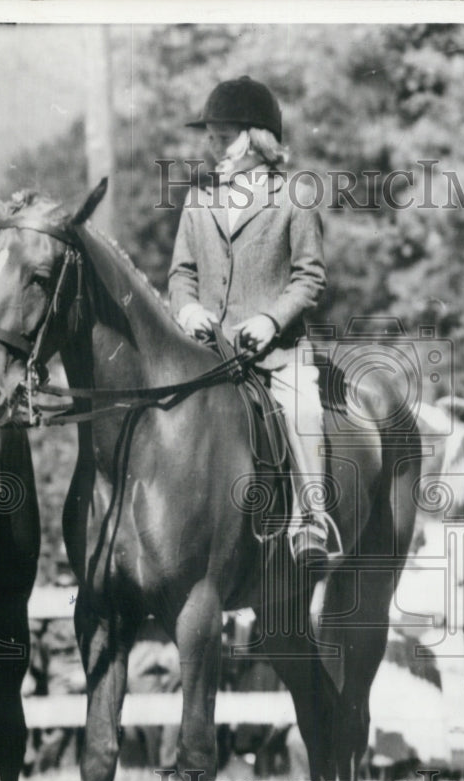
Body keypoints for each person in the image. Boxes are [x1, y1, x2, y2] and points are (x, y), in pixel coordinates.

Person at [168, 75, 332, 563]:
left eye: (223, 137)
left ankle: (311, 520)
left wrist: (270, 321)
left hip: (276, 353)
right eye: (210, 137)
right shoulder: (199, 200)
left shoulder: (295, 196)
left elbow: (309, 277)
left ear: (257, 141)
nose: (212, 147)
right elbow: (181, 274)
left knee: (303, 410)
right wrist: (187, 308)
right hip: (208, 352)